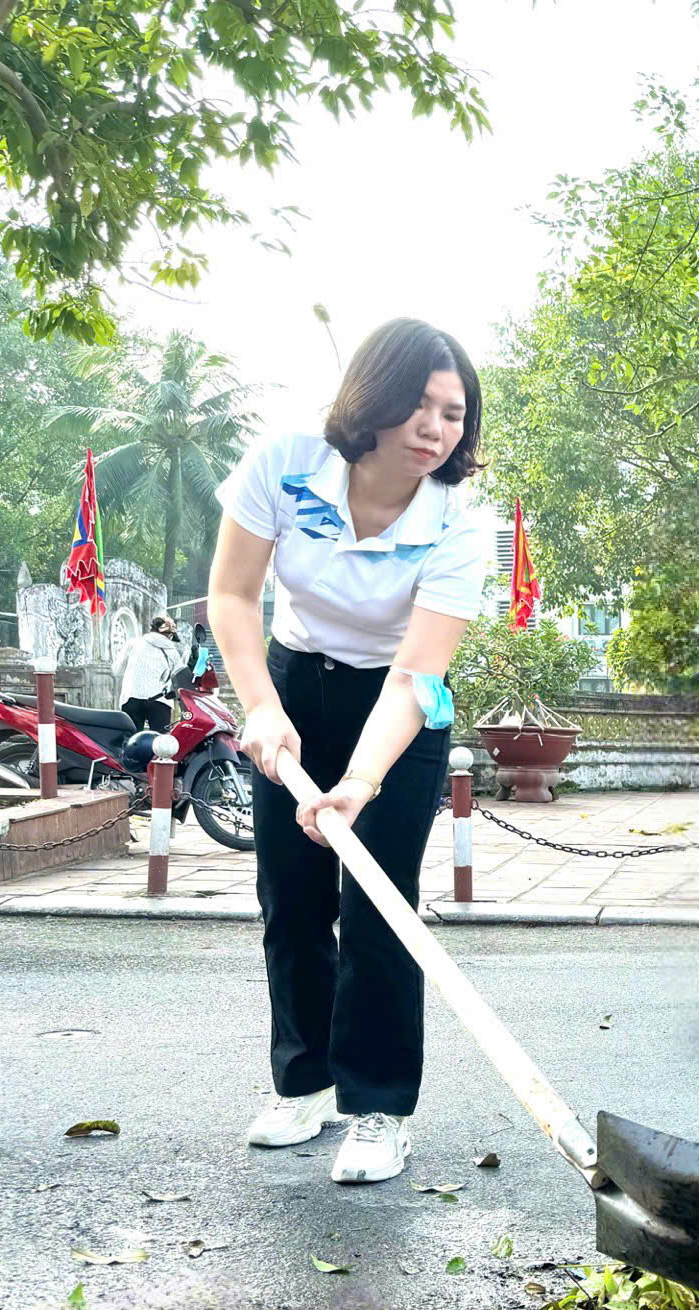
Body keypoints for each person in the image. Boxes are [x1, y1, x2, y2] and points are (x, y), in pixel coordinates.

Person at [207, 318, 492, 1185]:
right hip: (293, 683)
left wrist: (360, 783)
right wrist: (260, 707)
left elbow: (413, 677)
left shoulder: (457, 528)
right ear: (373, 395)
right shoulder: (285, 466)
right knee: (290, 897)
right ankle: (303, 1084)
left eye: (453, 413)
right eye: (419, 402)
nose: (435, 427)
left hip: (398, 712)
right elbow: (230, 594)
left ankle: (377, 1108)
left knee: (377, 903)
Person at [114, 615, 186, 731]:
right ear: (170, 635)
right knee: (160, 742)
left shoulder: (133, 643)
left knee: (131, 740)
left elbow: (117, 670)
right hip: (160, 701)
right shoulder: (172, 651)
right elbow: (180, 677)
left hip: (132, 697)